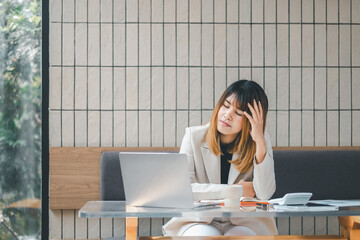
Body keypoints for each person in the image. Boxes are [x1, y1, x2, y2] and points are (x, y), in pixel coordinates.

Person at [162, 80, 277, 236]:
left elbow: (264, 194)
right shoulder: (193, 137)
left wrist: (261, 144)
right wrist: (235, 191)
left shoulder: (260, 141)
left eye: (238, 113)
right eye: (226, 105)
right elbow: (184, 190)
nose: (227, 115)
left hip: (244, 220)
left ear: (252, 120)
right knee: (203, 236)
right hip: (199, 219)